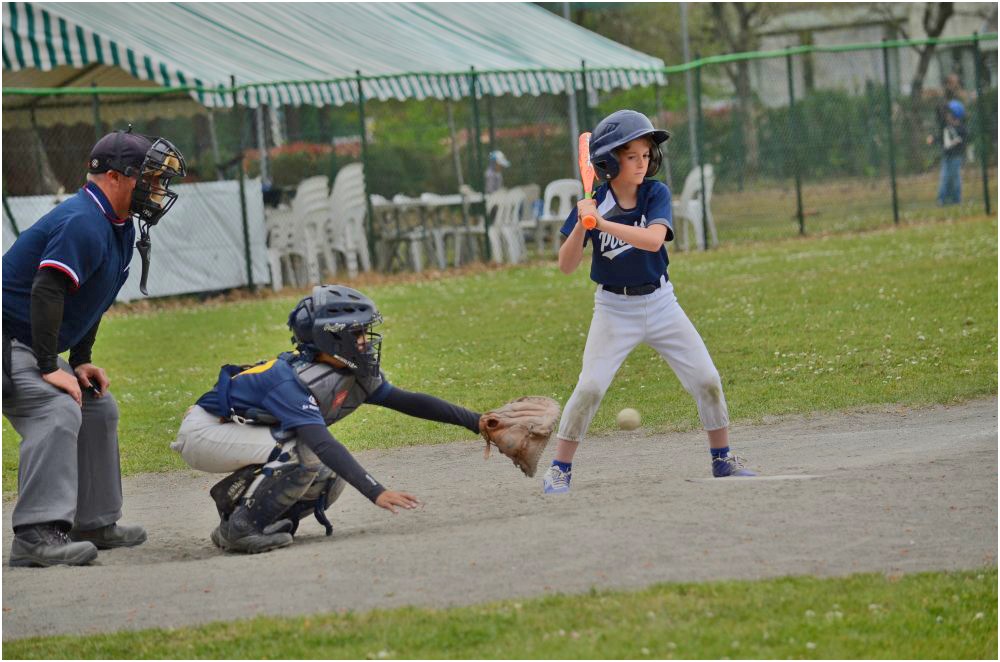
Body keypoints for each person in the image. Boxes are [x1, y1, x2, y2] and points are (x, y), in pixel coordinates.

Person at [171, 284, 488, 554]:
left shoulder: (343, 371)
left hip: (234, 431)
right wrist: (376, 491)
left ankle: (257, 521)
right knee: (304, 453)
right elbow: (322, 444)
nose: (366, 340)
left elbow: (407, 401)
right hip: (206, 432)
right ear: (330, 339)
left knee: (329, 477)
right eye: (357, 333)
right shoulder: (290, 382)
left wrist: (476, 422)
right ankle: (242, 528)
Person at [541, 109, 755, 495]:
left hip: (661, 303)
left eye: (645, 155)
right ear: (609, 163)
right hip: (613, 309)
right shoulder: (594, 203)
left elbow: (654, 240)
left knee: (706, 379)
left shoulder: (655, 193)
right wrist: (581, 226)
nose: (642, 163)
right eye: (631, 157)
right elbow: (566, 265)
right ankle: (559, 469)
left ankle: (722, 458)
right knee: (590, 387)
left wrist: (602, 224)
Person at [2, 128, 187, 566]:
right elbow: (48, 290)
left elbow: (91, 298)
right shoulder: (83, 220)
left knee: (98, 406)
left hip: (24, 341)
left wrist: (80, 361)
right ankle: (34, 536)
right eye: (150, 177)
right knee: (55, 407)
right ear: (116, 177)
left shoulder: (116, 225)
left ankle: (93, 521)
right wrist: (50, 365)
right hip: (10, 340)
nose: (157, 188)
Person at [933, 99, 968, 206]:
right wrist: (934, 139)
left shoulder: (961, 128)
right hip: (946, 156)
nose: (946, 116)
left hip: (956, 157)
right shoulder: (946, 127)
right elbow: (942, 139)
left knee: (955, 178)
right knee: (944, 178)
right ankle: (942, 199)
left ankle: (956, 199)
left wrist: (957, 141)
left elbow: (963, 140)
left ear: (955, 115)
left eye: (949, 113)